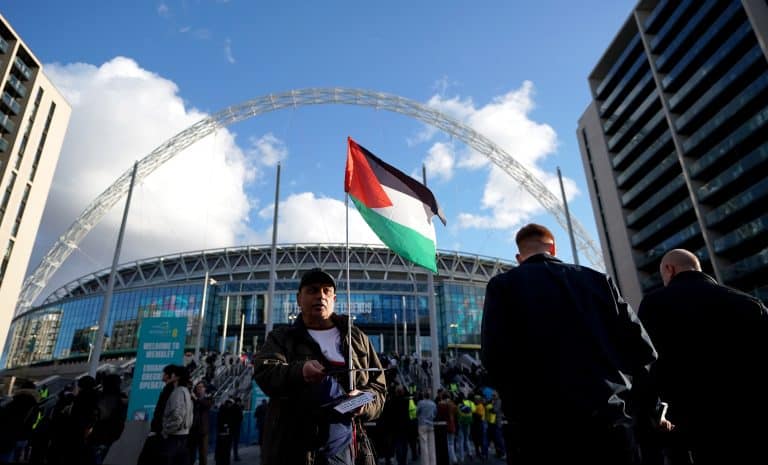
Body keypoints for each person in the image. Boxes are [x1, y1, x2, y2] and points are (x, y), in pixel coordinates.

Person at [480, 223, 671, 465]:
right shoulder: (599, 281)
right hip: (607, 421)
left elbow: (493, 356)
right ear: (553, 248)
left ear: (519, 257)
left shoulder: (502, 286)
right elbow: (642, 350)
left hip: (538, 431)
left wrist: (517, 409)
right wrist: (650, 410)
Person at [638, 249, 768, 465]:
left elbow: (644, 362)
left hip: (688, 425)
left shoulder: (655, 304)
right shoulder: (751, 304)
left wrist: (651, 412)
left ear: (669, 269)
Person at [253, 268, 387, 465]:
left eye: (326, 291)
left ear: (334, 299)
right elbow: (265, 372)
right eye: (312, 290)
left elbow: (379, 388)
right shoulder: (281, 338)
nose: (320, 296)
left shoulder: (357, 338)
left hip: (348, 449)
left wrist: (363, 403)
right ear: (299, 299)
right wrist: (300, 371)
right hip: (294, 451)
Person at [188, 381, 212, 465]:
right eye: (198, 387)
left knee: (203, 454)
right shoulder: (192, 398)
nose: (199, 389)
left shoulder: (208, 398)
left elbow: (206, 405)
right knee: (191, 453)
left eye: (201, 387)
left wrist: (196, 399)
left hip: (203, 431)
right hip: (193, 430)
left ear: (204, 389)